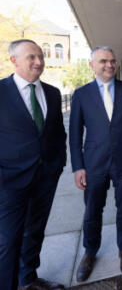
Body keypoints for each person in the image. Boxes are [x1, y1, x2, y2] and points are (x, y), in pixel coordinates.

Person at [69, 46, 122, 282]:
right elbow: (74, 134)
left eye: (113, 61)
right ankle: (90, 252)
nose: (110, 65)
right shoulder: (81, 94)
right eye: (103, 61)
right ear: (92, 65)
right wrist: (78, 166)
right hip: (94, 163)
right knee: (92, 210)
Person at [0, 39, 67, 290]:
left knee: (35, 232)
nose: (39, 62)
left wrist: (59, 164)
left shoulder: (52, 92)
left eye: (40, 56)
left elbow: (57, 132)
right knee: (8, 241)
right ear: (14, 60)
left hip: (45, 177)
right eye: (31, 57)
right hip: (9, 182)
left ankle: (28, 279)